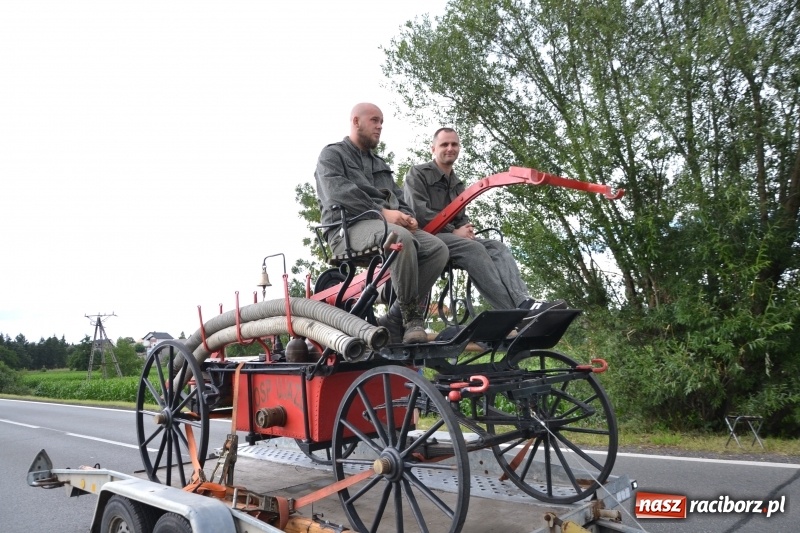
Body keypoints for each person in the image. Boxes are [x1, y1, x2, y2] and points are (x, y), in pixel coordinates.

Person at [314, 103, 449, 344]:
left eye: (382, 122)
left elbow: (397, 196)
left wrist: (408, 216)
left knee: (438, 249)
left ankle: (394, 318)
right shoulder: (332, 155)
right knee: (399, 238)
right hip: (346, 230)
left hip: (385, 226)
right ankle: (412, 319)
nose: (379, 127)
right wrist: (382, 213)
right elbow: (338, 193)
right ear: (356, 121)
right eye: (374, 120)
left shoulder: (379, 164)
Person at [404, 127, 537, 311]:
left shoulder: (457, 183)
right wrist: (454, 231)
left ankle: (523, 301)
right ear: (433, 149)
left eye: (454, 144)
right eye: (444, 144)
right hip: (426, 236)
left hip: (452, 238)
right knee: (473, 248)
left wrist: (466, 229)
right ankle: (512, 312)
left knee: (497, 247)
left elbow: (460, 216)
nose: (450, 148)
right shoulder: (418, 173)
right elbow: (418, 212)